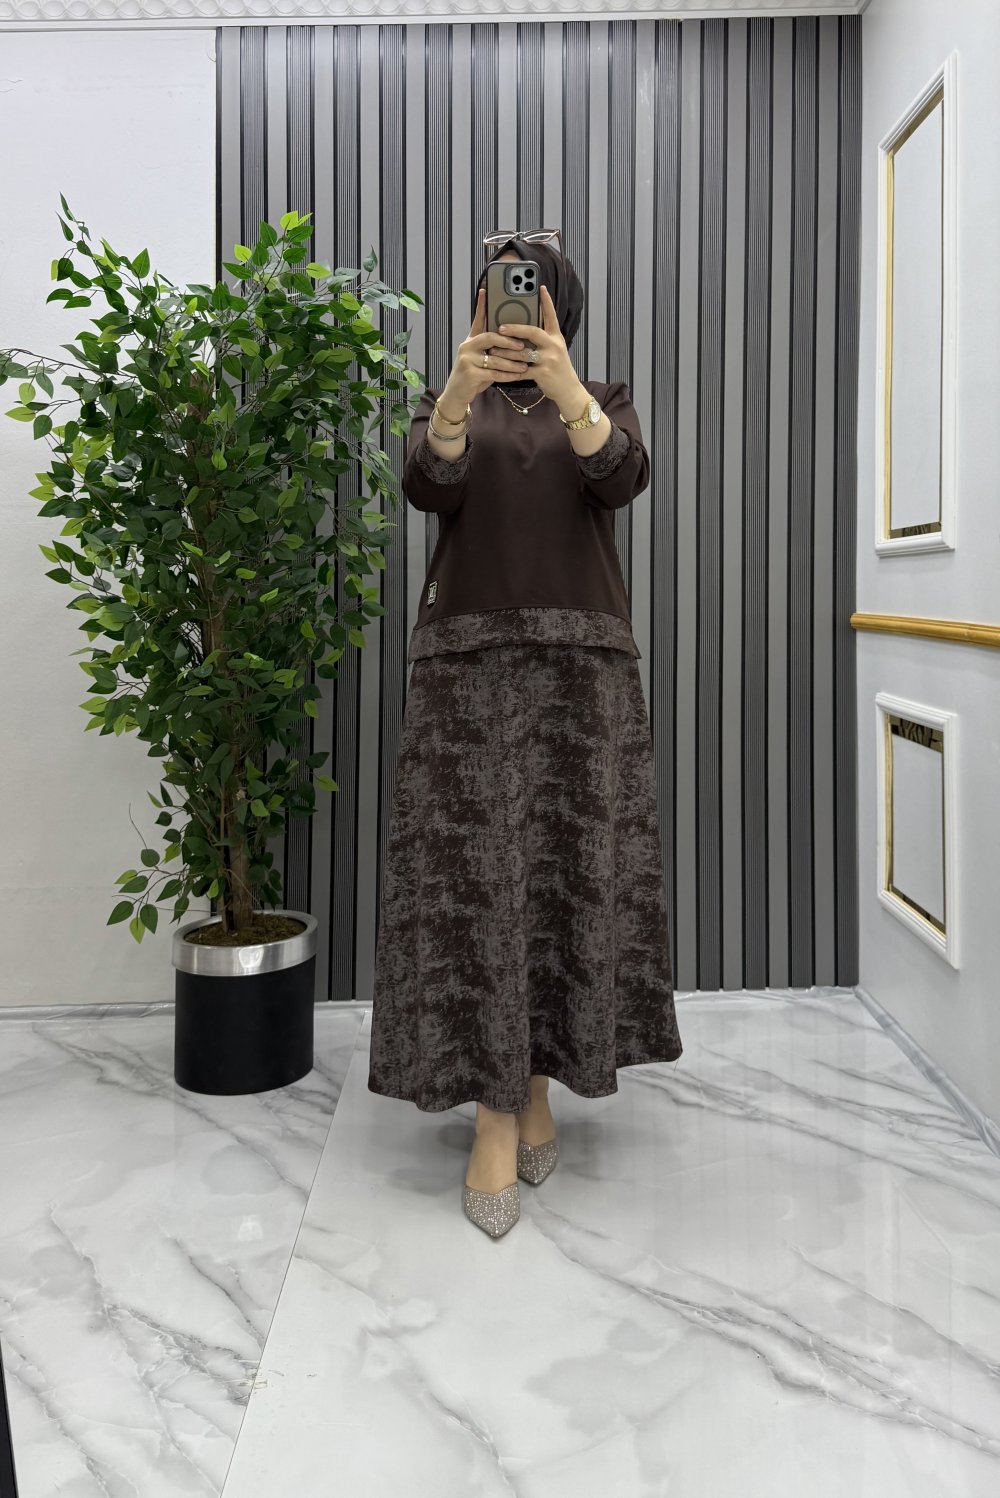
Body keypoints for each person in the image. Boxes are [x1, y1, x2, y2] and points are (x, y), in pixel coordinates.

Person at [367, 232, 683, 1239]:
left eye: (533, 290)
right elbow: (428, 486)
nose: (516, 304)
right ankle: (494, 1114)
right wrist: (458, 392)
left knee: (558, 880)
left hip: (582, 668)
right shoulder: (448, 399)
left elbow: (621, 479)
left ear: (560, 306)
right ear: (479, 305)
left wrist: (569, 388)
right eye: (502, 289)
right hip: (465, 666)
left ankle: (536, 1082)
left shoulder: (603, 397)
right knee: (476, 886)